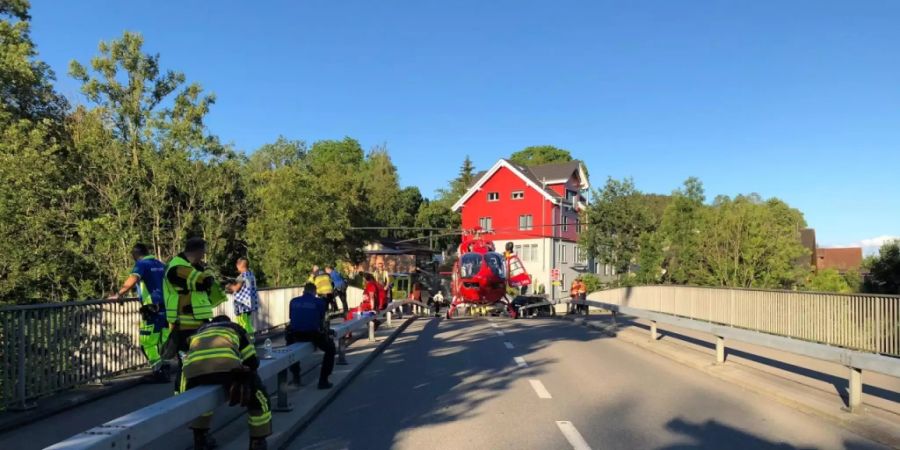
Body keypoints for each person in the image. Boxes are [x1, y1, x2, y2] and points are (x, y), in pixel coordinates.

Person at [182, 315, 270, 450]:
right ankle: (258, 442)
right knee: (259, 397)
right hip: (226, 371)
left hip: (194, 373)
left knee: (201, 404)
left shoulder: (199, 332)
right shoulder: (236, 329)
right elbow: (251, 361)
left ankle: (200, 439)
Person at [163, 237, 228, 395]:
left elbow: (207, 282)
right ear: (198, 251)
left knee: (198, 361)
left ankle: (193, 395)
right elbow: (204, 282)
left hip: (198, 324)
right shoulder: (177, 268)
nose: (203, 256)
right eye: (203, 252)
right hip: (185, 326)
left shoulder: (192, 267)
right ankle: (181, 397)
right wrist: (205, 274)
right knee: (186, 364)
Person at [110, 243, 170, 382]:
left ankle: (159, 371)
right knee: (163, 340)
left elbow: (134, 278)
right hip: (166, 308)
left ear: (135, 254)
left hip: (152, 309)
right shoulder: (160, 264)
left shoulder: (142, 264)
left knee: (147, 343)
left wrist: (119, 294)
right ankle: (165, 368)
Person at [286, 283, 336, 390]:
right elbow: (322, 321)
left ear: (303, 291)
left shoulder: (293, 301)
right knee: (330, 349)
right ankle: (323, 381)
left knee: (289, 343)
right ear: (315, 292)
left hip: (295, 334)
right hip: (312, 334)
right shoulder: (319, 302)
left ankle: (296, 377)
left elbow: (292, 318)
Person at [228, 257, 260, 343]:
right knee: (248, 323)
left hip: (242, 304)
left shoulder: (242, 276)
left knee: (242, 323)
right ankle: (251, 340)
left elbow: (236, 288)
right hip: (250, 304)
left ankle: (246, 341)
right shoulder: (251, 275)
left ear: (239, 266)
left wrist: (229, 286)